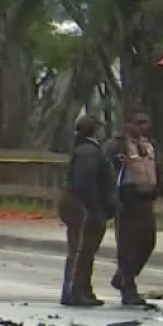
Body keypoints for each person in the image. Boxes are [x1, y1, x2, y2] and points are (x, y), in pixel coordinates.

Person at [103, 105, 163, 306]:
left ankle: (122, 277)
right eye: (138, 122)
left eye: (146, 122)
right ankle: (127, 286)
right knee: (128, 245)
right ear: (127, 124)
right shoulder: (117, 146)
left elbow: (158, 169)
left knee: (148, 242)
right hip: (127, 199)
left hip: (147, 199)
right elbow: (107, 171)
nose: (143, 127)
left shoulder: (150, 144)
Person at [61, 115, 116, 307]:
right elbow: (85, 183)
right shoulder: (88, 152)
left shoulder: (85, 149)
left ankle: (83, 288)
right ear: (96, 130)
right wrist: (95, 207)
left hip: (80, 207)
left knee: (84, 250)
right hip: (84, 208)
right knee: (81, 250)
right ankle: (74, 290)